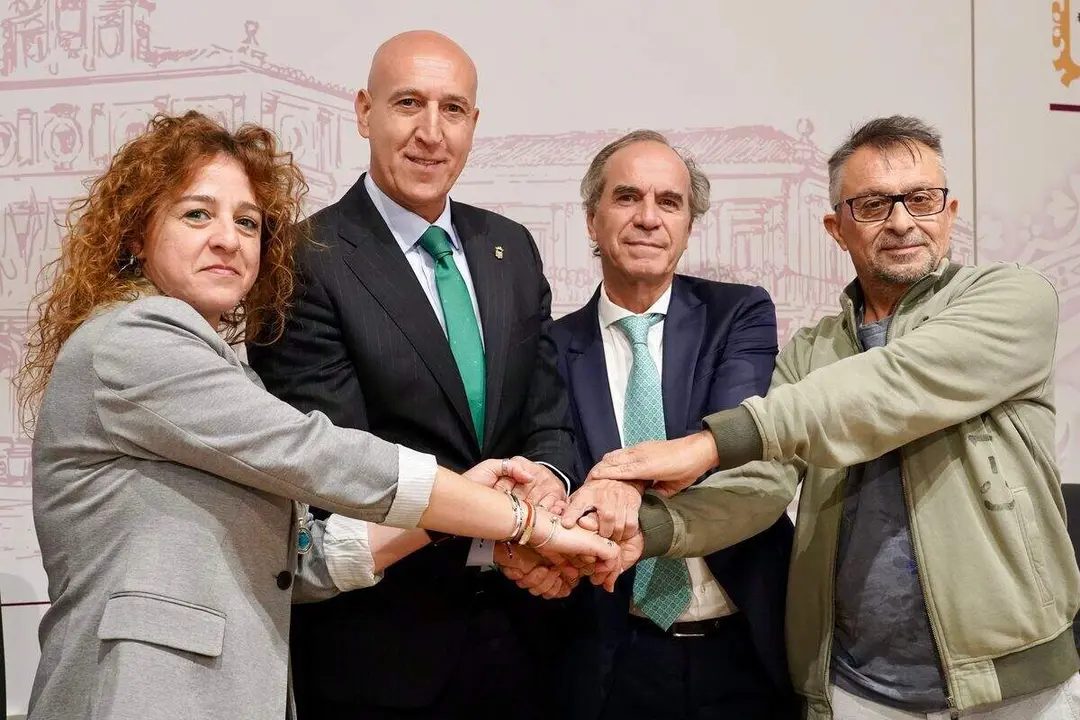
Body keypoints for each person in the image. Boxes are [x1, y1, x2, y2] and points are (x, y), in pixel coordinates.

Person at [18, 110, 615, 720]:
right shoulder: (132, 341)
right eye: (197, 213)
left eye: (247, 222)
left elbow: (295, 563)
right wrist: (524, 522)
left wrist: (447, 517)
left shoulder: (225, 366)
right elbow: (315, 454)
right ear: (137, 235)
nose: (228, 238)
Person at [580, 115, 1080, 719]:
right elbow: (760, 489)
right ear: (836, 228)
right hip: (854, 688)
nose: (901, 221)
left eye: (920, 199)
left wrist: (712, 443)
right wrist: (651, 530)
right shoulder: (811, 352)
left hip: (1011, 685)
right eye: (871, 205)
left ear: (949, 212)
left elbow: (893, 385)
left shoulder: (1015, 298)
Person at [245, 30, 581, 719]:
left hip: (525, 635)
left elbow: (547, 416)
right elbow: (339, 469)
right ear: (365, 112)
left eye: (452, 109)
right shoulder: (307, 261)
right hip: (384, 652)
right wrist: (513, 525)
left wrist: (548, 490)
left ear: (474, 124)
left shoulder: (510, 247)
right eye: (409, 104)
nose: (432, 133)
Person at [549, 130, 796, 719]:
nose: (647, 218)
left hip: (745, 640)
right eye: (627, 197)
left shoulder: (739, 313)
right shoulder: (550, 347)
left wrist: (618, 480)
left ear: (689, 224)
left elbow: (730, 436)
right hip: (613, 650)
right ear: (591, 219)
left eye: (669, 202)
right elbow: (554, 466)